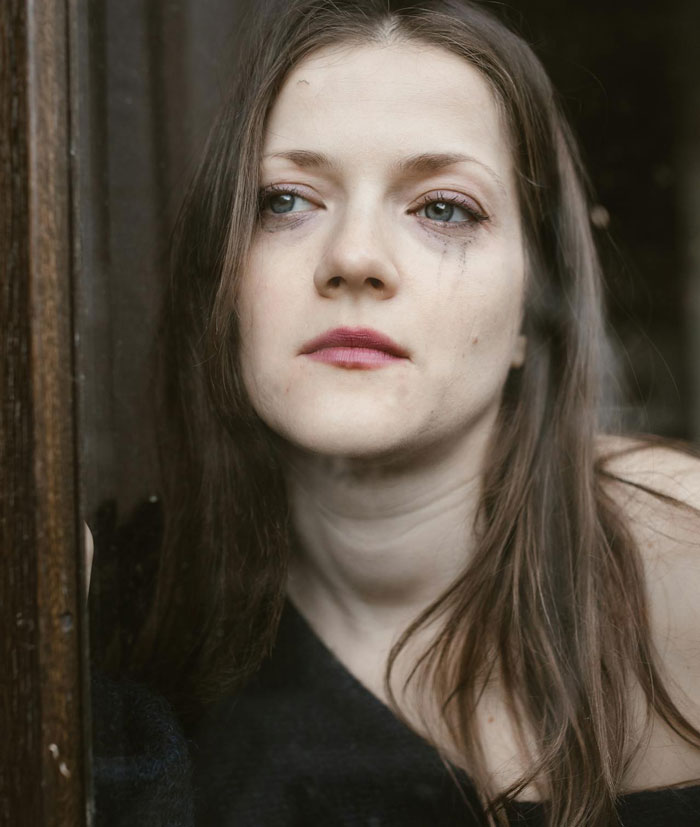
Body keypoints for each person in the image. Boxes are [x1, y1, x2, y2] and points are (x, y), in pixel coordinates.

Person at [108, 1, 700, 825]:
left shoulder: (685, 564)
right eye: (286, 201)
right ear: (224, 278)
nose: (353, 257)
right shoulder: (126, 615)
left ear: (534, 304)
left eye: (444, 208)